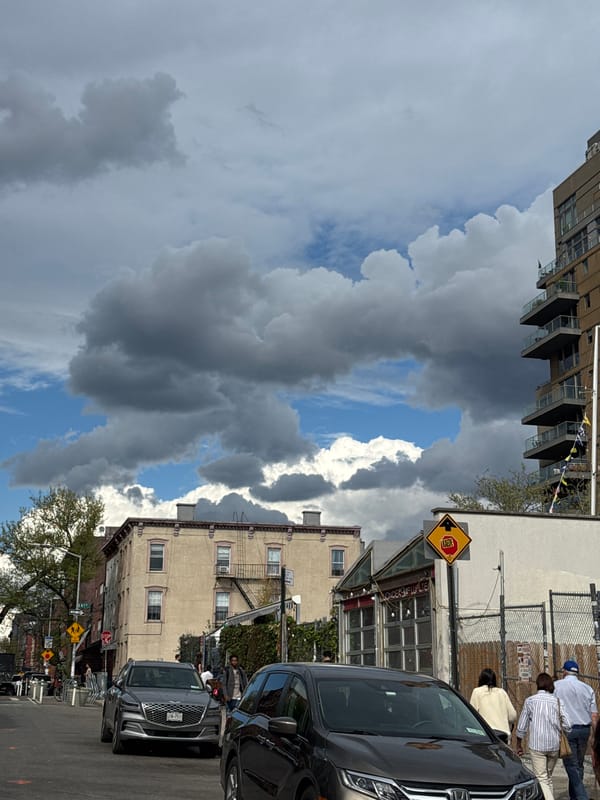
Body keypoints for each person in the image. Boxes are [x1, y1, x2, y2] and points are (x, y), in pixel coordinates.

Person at [516, 672, 571, 800]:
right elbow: (568, 724)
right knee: (547, 777)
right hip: (554, 745)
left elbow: (522, 726)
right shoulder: (557, 701)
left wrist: (518, 743)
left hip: (537, 745)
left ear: (538, 684)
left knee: (541, 778)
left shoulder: (530, 701)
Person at [554, 660, 598, 800]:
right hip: (584, 729)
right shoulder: (587, 688)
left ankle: (581, 796)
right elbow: (594, 714)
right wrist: (595, 735)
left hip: (568, 729)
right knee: (578, 765)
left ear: (565, 672)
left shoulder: (556, 687)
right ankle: (576, 796)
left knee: (571, 766)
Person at [469, 668, 517, 741]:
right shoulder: (502, 692)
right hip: (503, 735)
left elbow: (471, 716)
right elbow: (512, 716)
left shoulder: (477, 692)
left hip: (486, 735)